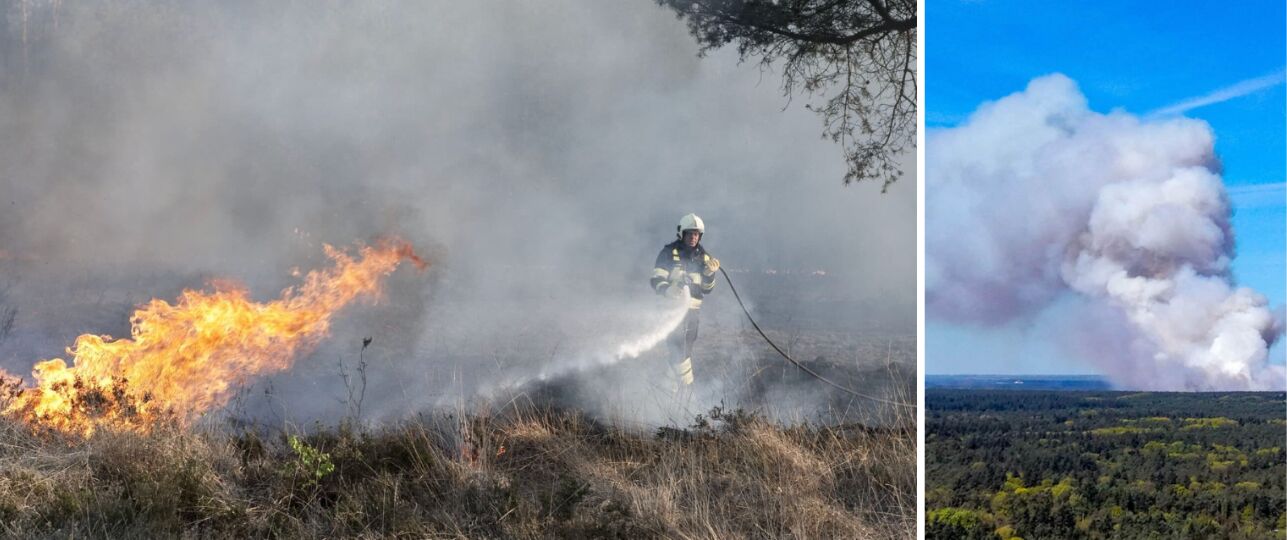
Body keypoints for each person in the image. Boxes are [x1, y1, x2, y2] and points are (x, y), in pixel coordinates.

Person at [650, 213, 720, 391]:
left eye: (697, 234)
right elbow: (656, 280)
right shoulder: (668, 254)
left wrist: (709, 274)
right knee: (679, 350)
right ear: (682, 234)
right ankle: (688, 390)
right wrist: (668, 290)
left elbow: (707, 289)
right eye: (690, 234)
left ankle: (667, 392)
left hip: (692, 315)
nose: (693, 237)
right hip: (671, 312)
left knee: (681, 351)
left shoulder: (705, 259)